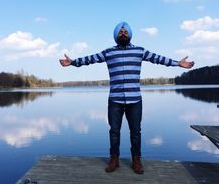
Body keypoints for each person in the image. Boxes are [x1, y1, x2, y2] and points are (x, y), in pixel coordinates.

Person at [59, 21, 194, 174]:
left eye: (125, 31)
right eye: (120, 32)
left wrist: (177, 63)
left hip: (135, 100)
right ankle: (114, 159)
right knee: (114, 131)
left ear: (130, 34)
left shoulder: (139, 51)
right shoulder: (108, 52)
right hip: (115, 99)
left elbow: (158, 59)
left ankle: (136, 160)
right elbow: (90, 59)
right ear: (116, 36)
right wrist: (73, 62)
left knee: (135, 131)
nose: (123, 33)